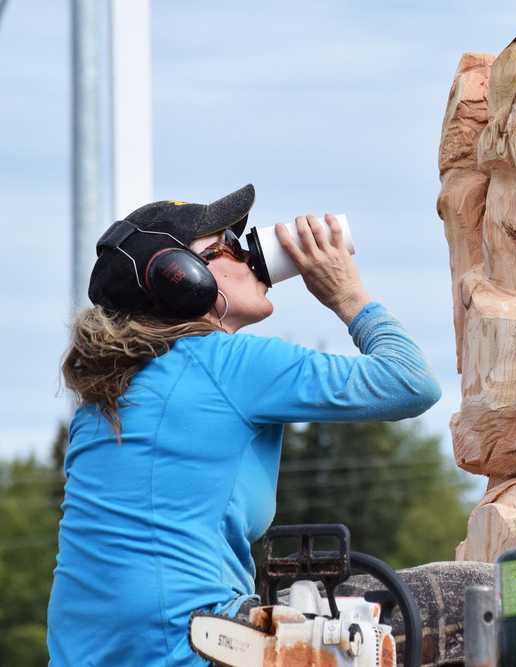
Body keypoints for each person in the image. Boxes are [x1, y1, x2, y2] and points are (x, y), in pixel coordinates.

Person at [47, 184, 441, 665]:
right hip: (192, 649)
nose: (248, 251)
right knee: (465, 597)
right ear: (181, 278)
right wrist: (346, 294)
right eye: (226, 245)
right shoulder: (229, 364)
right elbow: (412, 381)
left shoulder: (101, 398)